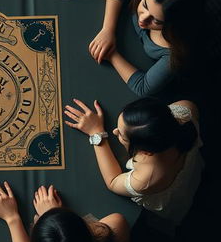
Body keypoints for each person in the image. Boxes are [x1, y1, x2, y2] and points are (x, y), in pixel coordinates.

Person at [64, 96, 203, 226]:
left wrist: (96, 133)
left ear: (146, 152)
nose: (114, 132)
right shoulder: (185, 110)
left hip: (176, 202)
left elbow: (112, 182)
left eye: (122, 136)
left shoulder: (146, 179)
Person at [88, 0, 204, 97]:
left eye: (157, 21)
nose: (142, 19)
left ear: (173, 25)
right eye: (144, 5)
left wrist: (111, 54)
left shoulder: (177, 52)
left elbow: (143, 87)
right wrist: (107, 30)